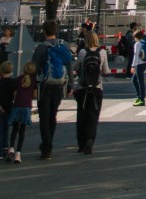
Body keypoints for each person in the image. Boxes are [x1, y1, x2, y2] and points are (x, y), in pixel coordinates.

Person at [31, 19, 73, 160]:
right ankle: (49, 144)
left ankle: (47, 147)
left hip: (44, 85)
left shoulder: (41, 47)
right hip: (59, 85)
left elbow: (34, 68)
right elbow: (69, 65)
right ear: (56, 31)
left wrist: (32, 86)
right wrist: (70, 86)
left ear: (44, 31)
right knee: (53, 115)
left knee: (44, 117)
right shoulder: (64, 45)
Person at [74, 30, 109, 154]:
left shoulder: (83, 52)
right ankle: (90, 139)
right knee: (93, 116)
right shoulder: (103, 52)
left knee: (81, 116)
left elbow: (75, 67)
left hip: (82, 88)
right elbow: (106, 70)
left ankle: (81, 144)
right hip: (97, 88)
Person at [6, 61, 36, 163]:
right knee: (22, 131)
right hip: (26, 106)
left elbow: (14, 92)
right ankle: (18, 154)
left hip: (17, 105)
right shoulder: (33, 80)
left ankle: (11, 148)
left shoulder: (18, 79)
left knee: (15, 128)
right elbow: (35, 95)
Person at [131, 29, 146, 105]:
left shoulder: (137, 44)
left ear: (136, 37)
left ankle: (142, 99)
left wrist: (133, 66)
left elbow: (135, 56)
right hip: (144, 63)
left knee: (140, 82)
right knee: (135, 80)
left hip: (139, 64)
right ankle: (139, 97)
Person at [0, 60, 14, 158]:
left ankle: (0, 150)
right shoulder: (13, 82)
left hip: (0, 108)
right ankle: (5, 146)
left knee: (0, 129)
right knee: (6, 128)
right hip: (9, 108)